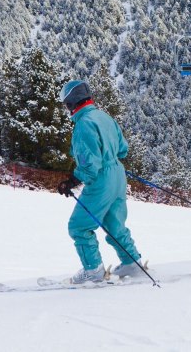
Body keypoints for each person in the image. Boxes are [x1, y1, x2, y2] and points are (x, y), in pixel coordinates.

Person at [57, 80, 143, 284]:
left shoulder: (83, 124)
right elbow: (123, 149)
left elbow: (90, 164)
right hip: (117, 175)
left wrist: (71, 181)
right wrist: (109, 157)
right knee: (114, 223)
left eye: (65, 104)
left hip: (101, 179)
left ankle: (93, 269)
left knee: (79, 226)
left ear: (71, 102)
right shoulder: (104, 117)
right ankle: (131, 262)